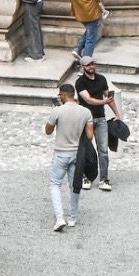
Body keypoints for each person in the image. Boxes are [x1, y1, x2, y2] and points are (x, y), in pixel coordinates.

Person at [46, 83, 95, 232]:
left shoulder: (57, 111)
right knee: (74, 185)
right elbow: (90, 135)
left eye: (59, 95)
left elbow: (48, 131)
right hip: (77, 154)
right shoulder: (86, 112)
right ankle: (72, 217)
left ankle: (60, 218)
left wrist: (54, 114)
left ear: (63, 95)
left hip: (61, 152)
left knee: (55, 184)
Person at [74, 58, 120, 190]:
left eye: (92, 64)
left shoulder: (101, 79)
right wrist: (104, 102)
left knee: (103, 150)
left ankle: (104, 179)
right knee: (86, 150)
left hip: (100, 118)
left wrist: (116, 113)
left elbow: (108, 97)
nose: (91, 66)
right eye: (88, 65)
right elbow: (88, 100)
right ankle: (86, 177)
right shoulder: (80, 82)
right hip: (86, 119)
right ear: (83, 67)